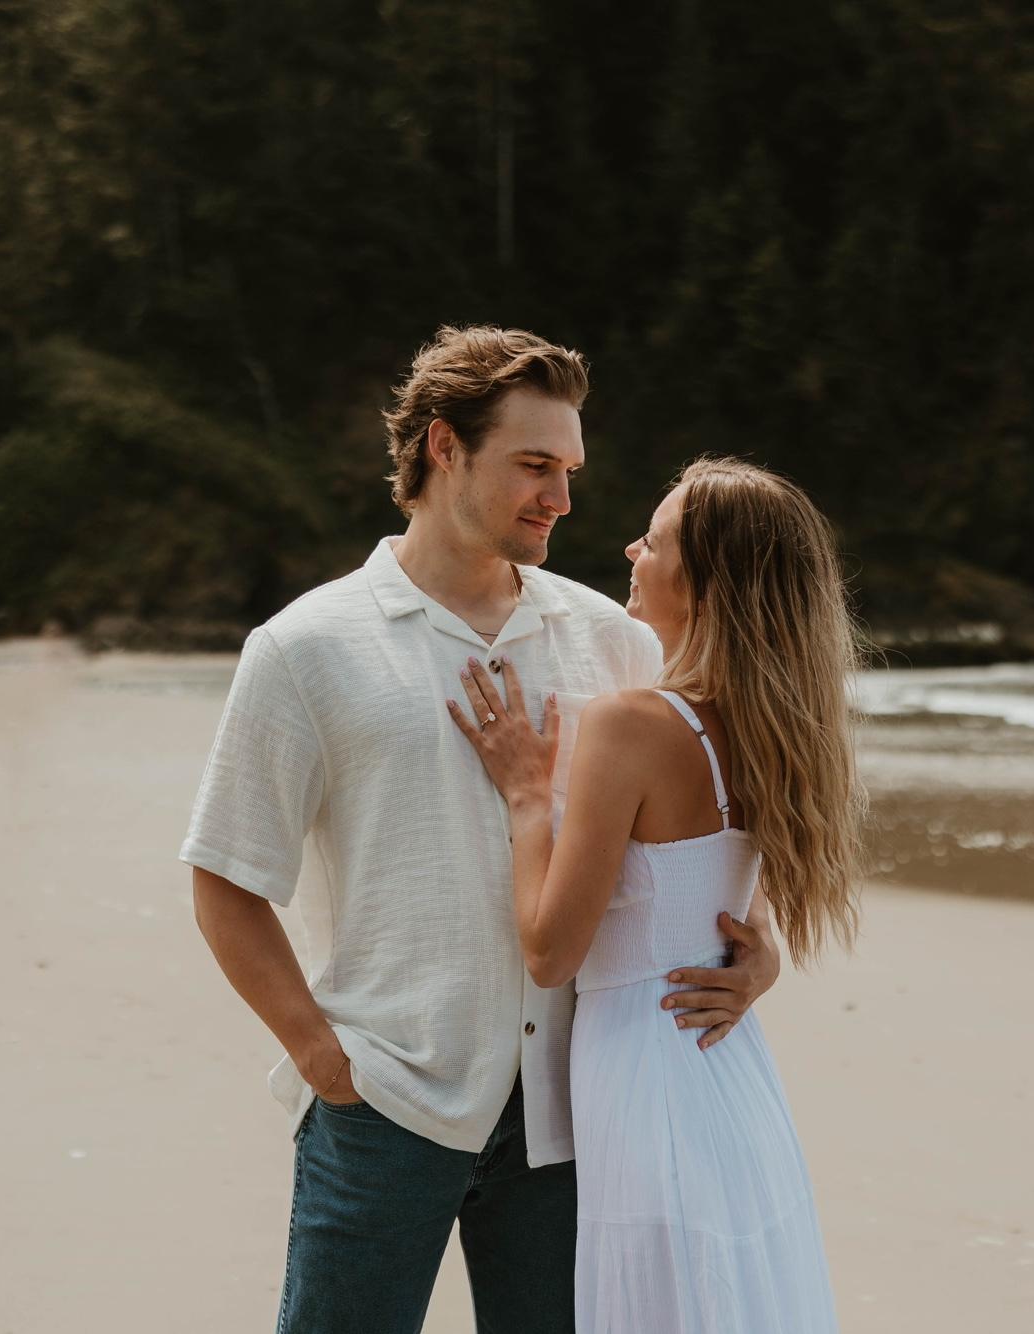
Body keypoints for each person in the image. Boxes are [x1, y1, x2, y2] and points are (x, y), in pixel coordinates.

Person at [179, 326, 782, 1334]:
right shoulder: (304, 648)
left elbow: (695, 820)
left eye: (570, 470)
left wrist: (757, 949)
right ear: (444, 448)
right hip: (385, 1104)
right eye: (535, 465)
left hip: (573, 1114)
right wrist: (322, 1058)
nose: (561, 498)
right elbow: (226, 878)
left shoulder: (614, 638)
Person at [448, 455, 864, 1333]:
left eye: (658, 539)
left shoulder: (631, 723)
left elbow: (550, 951)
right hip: (729, 1068)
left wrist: (527, 796)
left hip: (645, 1072)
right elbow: (720, 895)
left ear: (708, 582)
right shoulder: (773, 729)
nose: (633, 550)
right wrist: (762, 957)